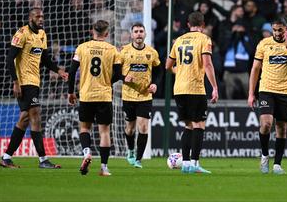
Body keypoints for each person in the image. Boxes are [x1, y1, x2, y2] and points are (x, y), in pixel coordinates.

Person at [0, 7, 68, 169]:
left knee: (24, 120)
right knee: (35, 116)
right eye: (38, 16)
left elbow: (44, 59)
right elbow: (10, 59)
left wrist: (58, 70)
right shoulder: (21, 34)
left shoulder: (42, 34)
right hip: (24, 82)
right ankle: (43, 160)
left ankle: (7, 157)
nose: (41, 19)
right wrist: (15, 82)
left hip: (35, 81)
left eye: (42, 16)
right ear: (30, 18)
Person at [248, 17, 287, 174]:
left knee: (281, 128)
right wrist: (251, 93)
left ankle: (277, 164)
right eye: (275, 30)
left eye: (280, 29)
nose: (277, 33)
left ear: (286, 28)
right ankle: (265, 156)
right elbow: (255, 69)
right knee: (266, 124)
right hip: (266, 89)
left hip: (285, 91)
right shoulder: (264, 44)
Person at [165, 11, 219, 174]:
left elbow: (167, 66)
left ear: (188, 24)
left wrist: (179, 72)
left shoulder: (179, 40)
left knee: (188, 126)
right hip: (195, 88)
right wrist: (215, 87)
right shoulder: (204, 39)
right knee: (199, 125)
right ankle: (195, 163)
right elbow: (208, 64)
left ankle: (186, 163)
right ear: (202, 25)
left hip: (179, 89)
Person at [68, 20, 121, 176]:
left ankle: (86, 153)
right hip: (104, 95)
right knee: (104, 131)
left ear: (93, 31)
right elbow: (118, 74)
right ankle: (104, 167)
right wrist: (106, 82)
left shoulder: (82, 48)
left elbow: (71, 72)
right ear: (106, 33)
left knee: (84, 128)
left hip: (86, 95)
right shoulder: (112, 50)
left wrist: (71, 92)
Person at [121, 22, 161, 168]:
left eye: (141, 31)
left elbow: (159, 71)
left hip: (145, 96)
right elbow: (115, 71)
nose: (138, 34)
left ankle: (138, 159)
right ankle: (131, 151)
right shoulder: (123, 51)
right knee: (130, 129)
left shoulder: (152, 52)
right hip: (128, 96)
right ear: (131, 35)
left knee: (143, 128)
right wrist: (124, 76)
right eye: (136, 31)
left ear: (145, 34)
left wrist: (155, 83)